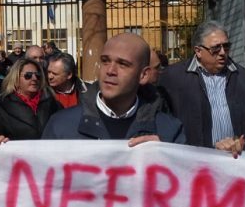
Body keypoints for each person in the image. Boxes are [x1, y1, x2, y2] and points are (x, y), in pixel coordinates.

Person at [42, 33, 185, 145]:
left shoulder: (168, 131)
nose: (110, 70)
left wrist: (165, 159)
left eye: (123, 64)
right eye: (105, 61)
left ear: (143, 75)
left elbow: (185, 179)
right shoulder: (61, 126)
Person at [159, 20, 245, 157]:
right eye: (216, 48)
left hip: (236, 160)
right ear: (198, 51)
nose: (222, 53)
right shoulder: (173, 77)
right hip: (193, 162)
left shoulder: (242, 77)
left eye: (226, 47)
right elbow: (163, 119)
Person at [0, 58, 62, 140]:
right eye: (28, 75)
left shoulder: (52, 102)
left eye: (37, 75)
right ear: (16, 78)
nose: (34, 78)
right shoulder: (3, 105)